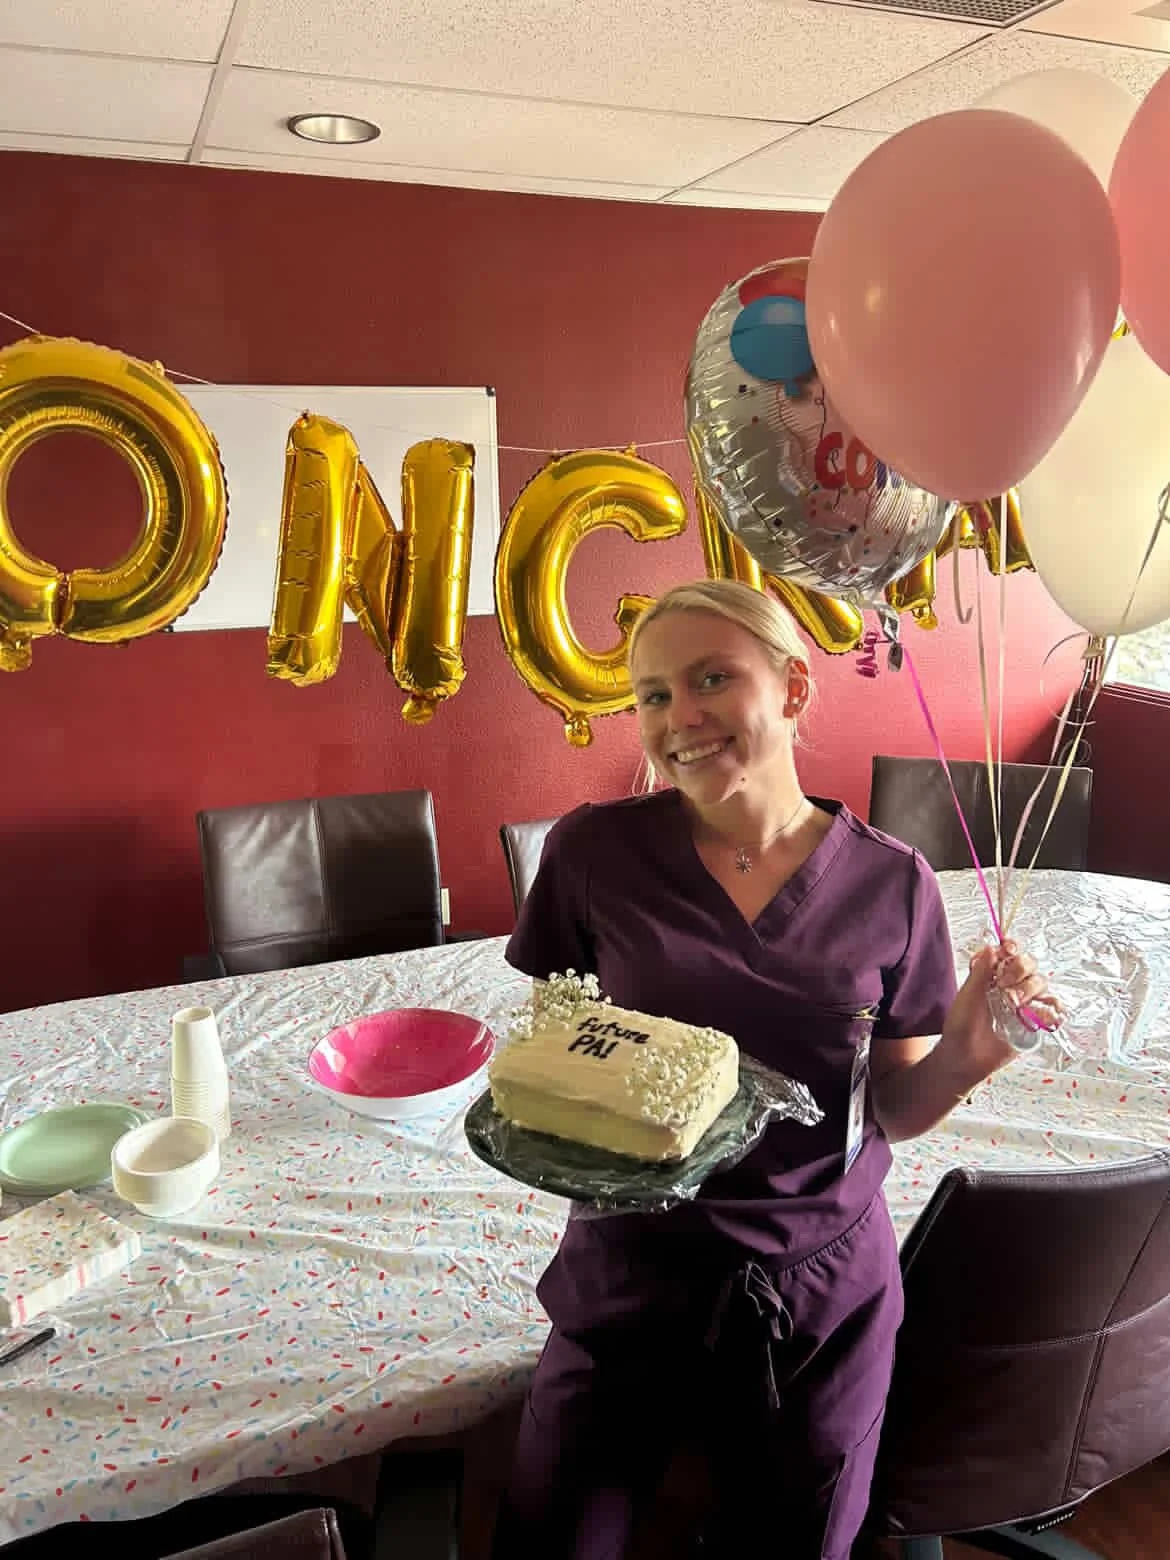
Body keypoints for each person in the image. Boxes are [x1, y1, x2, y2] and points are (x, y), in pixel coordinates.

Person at [491, 579, 1060, 1560]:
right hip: (630, 1266)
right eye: (655, 695)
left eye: (713, 678)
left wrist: (972, 1051)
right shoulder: (593, 856)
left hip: (818, 1283)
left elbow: (891, 1105)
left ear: (794, 689)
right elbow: (559, 1036)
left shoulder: (893, 884)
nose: (679, 718)